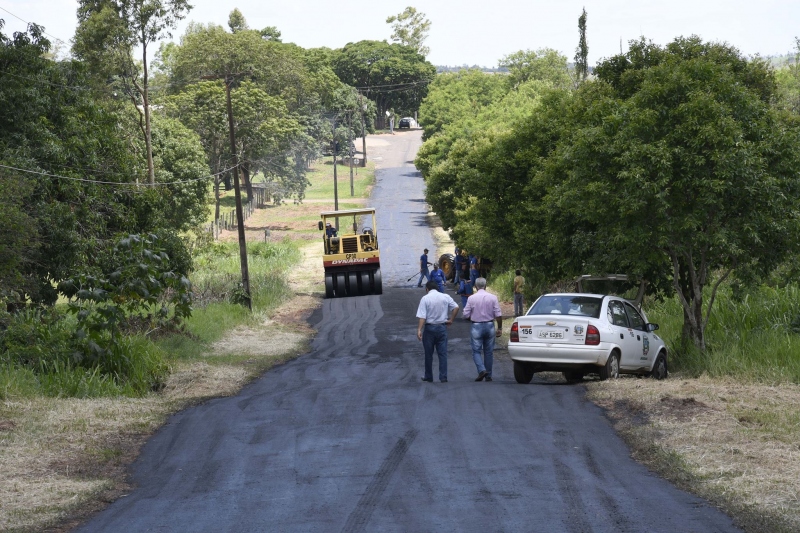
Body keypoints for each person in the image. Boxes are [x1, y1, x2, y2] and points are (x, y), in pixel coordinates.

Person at [416, 280, 459, 383]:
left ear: (427, 289)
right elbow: (456, 307)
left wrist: (419, 330)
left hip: (430, 328)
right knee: (442, 354)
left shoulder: (425, 298)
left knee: (428, 354)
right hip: (442, 328)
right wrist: (451, 320)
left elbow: (422, 316)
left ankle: (428, 376)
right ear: (437, 288)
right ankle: (443, 377)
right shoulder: (445, 296)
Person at [462, 277, 503, 382]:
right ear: (485, 285)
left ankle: (481, 369)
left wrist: (472, 315)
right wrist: (500, 328)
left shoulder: (471, 298)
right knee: (488, 352)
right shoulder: (493, 297)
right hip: (490, 325)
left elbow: (465, 314)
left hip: (476, 326)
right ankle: (488, 375)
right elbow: (498, 314)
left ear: (475, 286)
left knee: (476, 351)